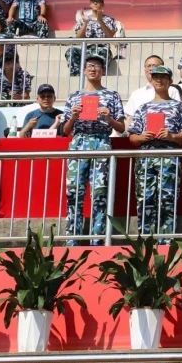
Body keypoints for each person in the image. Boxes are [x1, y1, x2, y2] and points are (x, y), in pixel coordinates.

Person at [59, 54, 126, 242]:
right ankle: (72, 239)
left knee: (100, 192)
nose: (93, 69)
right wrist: (73, 117)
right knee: (74, 191)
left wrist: (108, 118)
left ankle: (97, 239)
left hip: (101, 141)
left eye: (97, 66)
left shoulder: (112, 95)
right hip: (79, 143)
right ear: (83, 70)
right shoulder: (74, 96)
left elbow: (121, 128)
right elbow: (65, 131)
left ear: (103, 71)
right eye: (89, 66)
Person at [127, 65, 182, 238]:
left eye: (163, 77)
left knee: (168, 198)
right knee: (145, 199)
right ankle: (145, 240)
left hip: (169, 156)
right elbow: (132, 136)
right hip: (146, 156)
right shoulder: (143, 108)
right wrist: (142, 137)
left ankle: (166, 240)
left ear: (170, 81)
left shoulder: (179, 107)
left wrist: (172, 136)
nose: (159, 80)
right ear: (151, 80)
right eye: (155, 77)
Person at [66, 0, 116, 76]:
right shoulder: (84, 19)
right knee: (71, 51)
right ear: (90, 4)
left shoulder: (109, 19)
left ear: (102, 5)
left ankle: (98, 76)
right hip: (87, 48)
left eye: (98, 2)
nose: (95, 3)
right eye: (93, 2)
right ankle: (78, 76)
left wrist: (100, 21)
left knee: (104, 53)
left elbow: (110, 36)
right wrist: (85, 23)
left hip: (102, 48)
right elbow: (78, 38)